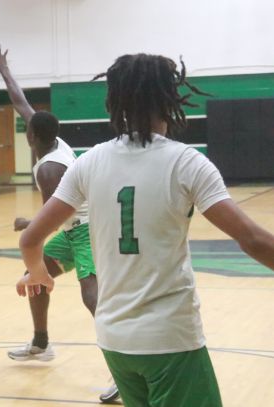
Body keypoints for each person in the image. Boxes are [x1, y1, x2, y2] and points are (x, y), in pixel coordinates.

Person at [16, 53, 274, 407]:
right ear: (169, 99)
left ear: (115, 101)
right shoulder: (186, 162)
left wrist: (37, 272)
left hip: (115, 341)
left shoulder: (88, 162)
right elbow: (253, 239)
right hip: (170, 340)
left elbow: (30, 239)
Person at [0, 45, 119, 403]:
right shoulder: (52, 140)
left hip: (86, 230)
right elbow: (20, 102)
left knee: (91, 296)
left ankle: (123, 369)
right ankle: (41, 343)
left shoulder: (49, 168)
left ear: (31, 136)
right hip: (73, 227)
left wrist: (28, 222)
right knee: (35, 274)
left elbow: (52, 216)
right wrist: (3, 70)